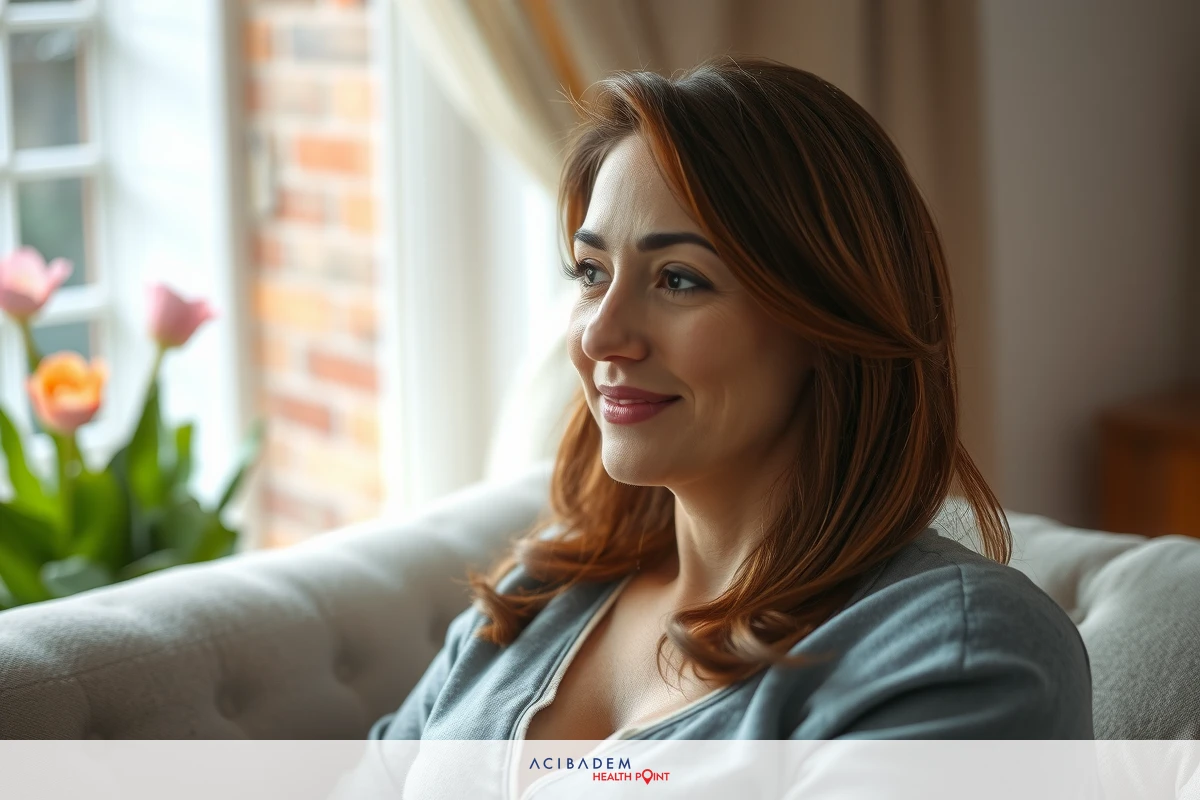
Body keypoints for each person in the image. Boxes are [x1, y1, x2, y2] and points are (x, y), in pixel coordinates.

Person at [367, 54, 1092, 768]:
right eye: (592, 272)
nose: (599, 335)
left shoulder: (961, 650)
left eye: (679, 279)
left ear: (828, 323)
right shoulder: (540, 590)